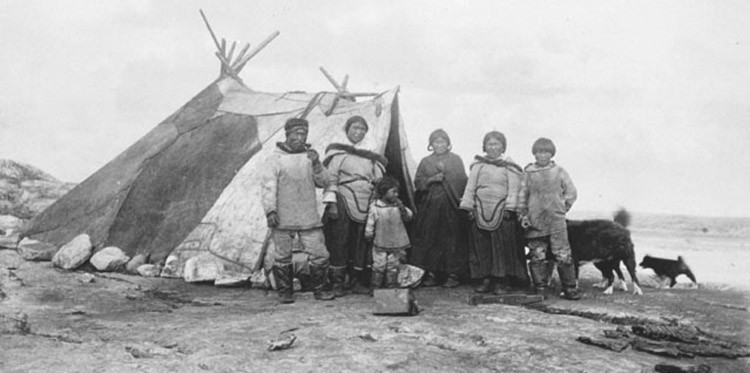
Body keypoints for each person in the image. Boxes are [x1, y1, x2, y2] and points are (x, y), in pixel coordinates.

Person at [260, 117, 335, 303]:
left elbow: (324, 182)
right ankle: (285, 292)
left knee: (319, 253)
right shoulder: (275, 159)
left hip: (307, 214)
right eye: (296, 133)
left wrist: (317, 163)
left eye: (304, 133)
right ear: (287, 134)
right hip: (283, 215)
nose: (300, 137)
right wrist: (271, 211)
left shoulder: (310, 157)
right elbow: (268, 188)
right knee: (282, 255)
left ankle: (320, 289)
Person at [322, 115, 387, 296]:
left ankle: (356, 281)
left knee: (361, 241)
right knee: (340, 239)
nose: (358, 132)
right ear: (347, 130)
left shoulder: (370, 156)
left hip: (365, 200)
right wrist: (332, 203)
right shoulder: (338, 153)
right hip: (343, 197)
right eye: (355, 128)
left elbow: (379, 180)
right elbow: (331, 178)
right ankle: (337, 282)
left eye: (362, 129)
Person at [459, 131, 529, 294]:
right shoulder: (478, 165)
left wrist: (510, 208)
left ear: (503, 146)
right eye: (490, 144)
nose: (493, 148)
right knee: (481, 246)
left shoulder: (510, 167)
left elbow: (514, 189)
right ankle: (485, 279)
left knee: (501, 247)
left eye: (497, 144)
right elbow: (470, 187)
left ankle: (501, 280)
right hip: (480, 209)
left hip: (501, 210)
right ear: (485, 146)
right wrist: (468, 207)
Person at [518, 137, 581, 300]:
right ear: (534, 154)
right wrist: (523, 215)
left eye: (546, 152)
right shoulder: (528, 173)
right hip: (535, 222)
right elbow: (522, 196)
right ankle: (540, 287)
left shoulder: (559, 171)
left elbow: (571, 193)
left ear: (551, 153)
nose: (543, 155)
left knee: (563, 255)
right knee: (537, 255)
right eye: (539, 152)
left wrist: (561, 209)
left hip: (556, 222)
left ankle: (570, 288)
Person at [409, 129, 469, 287]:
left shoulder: (456, 160)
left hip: (451, 206)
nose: (439, 145)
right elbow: (418, 183)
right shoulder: (425, 161)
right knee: (432, 238)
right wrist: (431, 179)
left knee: (452, 239)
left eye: (442, 142)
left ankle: (453, 275)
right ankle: (432, 273)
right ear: (431, 144)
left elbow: (462, 181)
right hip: (431, 208)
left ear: (448, 143)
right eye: (436, 142)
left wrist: (448, 176)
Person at [365, 177, 413, 290]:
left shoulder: (398, 206)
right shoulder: (376, 206)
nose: (396, 195)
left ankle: (391, 286)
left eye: (397, 192)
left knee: (393, 263)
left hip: (396, 240)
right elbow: (370, 222)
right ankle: (375, 287)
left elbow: (409, 217)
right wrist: (369, 234)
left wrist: (402, 208)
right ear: (383, 192)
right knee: (379, 264)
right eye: (393, 192)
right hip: (381, 240)